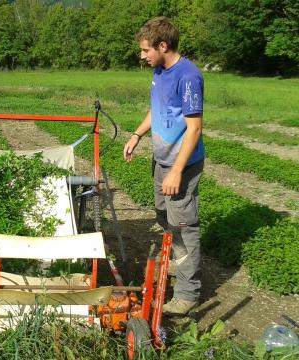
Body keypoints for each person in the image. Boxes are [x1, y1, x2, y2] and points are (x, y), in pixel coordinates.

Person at [123, 16, 205, 316]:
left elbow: (194, 129)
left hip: (180, 165)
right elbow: (157, 109)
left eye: (145, 50)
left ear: (163, 45)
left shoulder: (188, 76)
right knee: (164, 217)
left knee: (184, 228)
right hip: (161, 160)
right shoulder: (160, 71)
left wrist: (176, 171)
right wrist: (136, 135)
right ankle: (179, 263)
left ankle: (187, 293)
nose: (142, 56)